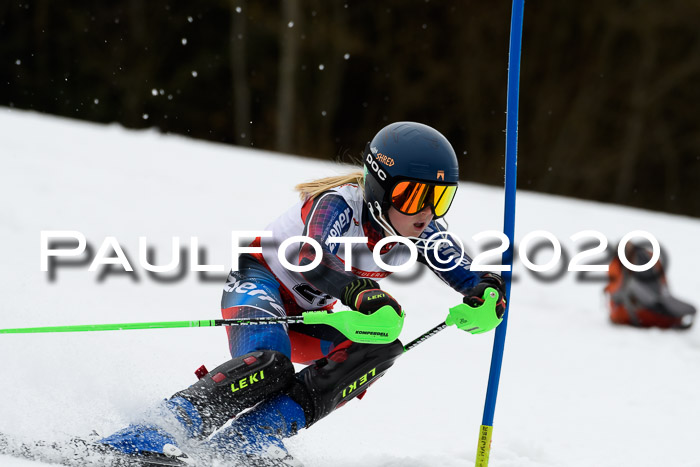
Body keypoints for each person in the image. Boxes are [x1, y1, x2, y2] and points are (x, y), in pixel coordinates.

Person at [98, 122, 507, 466]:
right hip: (261, 283)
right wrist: (361, 294)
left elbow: (465, 271)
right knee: (269, 366)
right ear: (381, 187)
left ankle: (247, 442)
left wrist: (487, 292)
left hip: (313, 312)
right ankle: (152, 431)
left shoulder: (423, 228)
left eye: (440, 198)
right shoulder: (337, 203)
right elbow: (313, 258)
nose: (427, 213)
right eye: (415, 196)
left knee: (380, 349)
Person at [605, 243, 695, 329]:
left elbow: (613, 288)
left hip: (633, 310)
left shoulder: (620, 263)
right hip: (636, 309)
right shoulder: (645, 256)